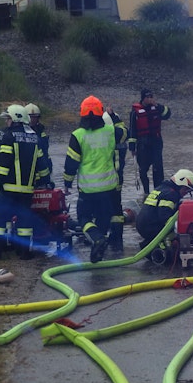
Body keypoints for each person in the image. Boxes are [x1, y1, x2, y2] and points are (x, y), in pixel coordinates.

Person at [64, 96, 126, 263]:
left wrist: (67, 183)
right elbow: (125, 132)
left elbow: (71, 163)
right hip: (109, 188)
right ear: (100, 113)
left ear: (82, 114)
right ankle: (100, 244)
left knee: (83, 218)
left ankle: (97, 240)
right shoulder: (111, 131)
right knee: (103, 218)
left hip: (88, 189)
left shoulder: (77, 135)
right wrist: (113, 117)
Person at [0, 104, 51, 260]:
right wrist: (46, 181)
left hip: (8, 189)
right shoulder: (34, 138)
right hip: (27, 191)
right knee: (25, 222)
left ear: (15, 118)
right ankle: (25, 252)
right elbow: (42, 165)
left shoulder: (8, 137)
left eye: (8, 118)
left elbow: (4, 163)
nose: (6, 122)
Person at [135, 168, 193, 262]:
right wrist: (182, 229)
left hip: (143, 224)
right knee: (172, 257)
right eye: (186, 189)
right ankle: (156, 251)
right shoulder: (170, 194)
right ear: (181, 183)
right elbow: (165, 217)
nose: (185, 193)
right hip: (151, 227)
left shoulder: (162, 188)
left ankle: (149, 245)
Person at [128, 88, 171, 195]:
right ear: (143, 98)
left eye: (151, 97)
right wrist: (132, 147)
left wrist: (159, 106)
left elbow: (167, 114)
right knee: (143, 170)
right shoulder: (135, 112)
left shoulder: (157, 108)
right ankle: (146, 192)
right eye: (147, 97)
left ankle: (158, 191)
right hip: (143, 144)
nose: (150, 99)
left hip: (156, 142)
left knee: (158, 169)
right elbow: (132, 129)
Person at [106, 104, 129, 252]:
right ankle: (116, 241)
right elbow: (124, 130)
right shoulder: (117, 133)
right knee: (116, 210)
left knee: (106, 210)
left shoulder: (106, 134)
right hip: (115, 179)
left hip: (104, 181)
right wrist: (113, 116)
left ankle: (106, 240)